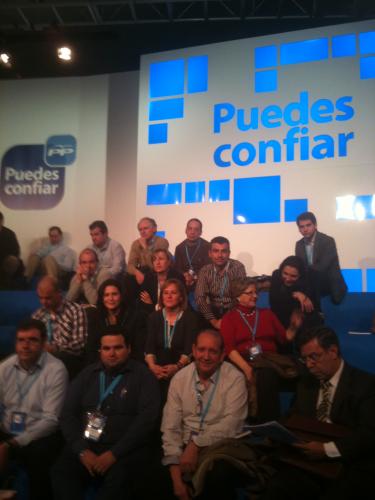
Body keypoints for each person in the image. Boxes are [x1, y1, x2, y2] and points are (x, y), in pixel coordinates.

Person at [262, 326, 375, 500]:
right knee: (276, 487)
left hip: (348, 462)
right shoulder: (306, 384)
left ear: (333, 351)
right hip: (308, 461)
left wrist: (326, 450)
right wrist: (275, 431)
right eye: (304, 359)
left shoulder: (365, 384)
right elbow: (293, 416)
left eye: (314, 357)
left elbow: (368, 433)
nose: (308, 365)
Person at [51, 329, 160, 500]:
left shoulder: (143, 376)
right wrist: (81, 451)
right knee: (61, 473)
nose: (112, 353)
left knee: (121, 481)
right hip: (88, 446)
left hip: (124, 451)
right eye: (106, 348)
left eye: (118, 348)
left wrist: (114, 454)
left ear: (129, 349)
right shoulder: (88, 374)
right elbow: (67, 414)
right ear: (100, 351)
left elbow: (147, 421)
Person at [161, 329, 248, 500]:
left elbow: (232, 425)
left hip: (220, 447)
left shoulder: (235, 379)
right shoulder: (179, 379)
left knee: (218, 477)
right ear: (193, 350)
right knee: (155, 479)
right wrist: (176, 476)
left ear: (222, 355)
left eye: (213, 351)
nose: (206, 356)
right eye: (201, 350)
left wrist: (196, 445)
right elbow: (170, 428)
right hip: (183, 447)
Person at [0, 318, 68, 500]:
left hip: (41, 434)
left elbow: (51, 421)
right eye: (21, 340)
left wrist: (11, 444)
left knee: (39, 457)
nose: (26, 345)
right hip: (9, 430)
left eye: (32, 340)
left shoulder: (56, 369)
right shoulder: (5, 367)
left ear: (44, 343)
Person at [221, 277, 300, 421]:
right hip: (243, 359)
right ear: (238, 296)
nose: (255, 296)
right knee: (265, 373)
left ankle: (291, 421)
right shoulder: (229, 318)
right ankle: (269, 423)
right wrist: (246, 368)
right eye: (250, 293)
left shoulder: (267, 314)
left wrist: (294, 327)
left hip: (268, 358)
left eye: (256, 292)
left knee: (297, 369)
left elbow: (284, 338)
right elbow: (230, 349)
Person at [145, 279, 200, 402]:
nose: (169, 296)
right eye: (166, 293)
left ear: (181, 297)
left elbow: (189, 348)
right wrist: (153, 366)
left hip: (181, 368)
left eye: (173, 293)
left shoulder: (190, 318)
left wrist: (177, 367)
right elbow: (149, 346)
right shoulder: (154, 317)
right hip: (157, 368)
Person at [32, 276, 87, 378]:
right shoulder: (37, 316)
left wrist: (54, 349)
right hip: (41, 358)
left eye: (48, 298)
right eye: (40, 298)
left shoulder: (75, 310)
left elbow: (79, 344)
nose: (43, 302)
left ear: (59, 293)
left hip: (67, 359)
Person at [85, 278, 146, 364]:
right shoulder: (95, 316)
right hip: (101, 364)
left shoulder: (136, 317)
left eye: (114, 294)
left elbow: (138, 349)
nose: (111, 298)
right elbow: (91, 347)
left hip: (129, 364)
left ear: (121, 296)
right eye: (106, 295)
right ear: (102, 298)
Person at [295, 212, 347, 304]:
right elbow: (300, 266)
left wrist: (304, 272)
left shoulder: (328, 241)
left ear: (315, 225)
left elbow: (322, 266)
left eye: (308, 225)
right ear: (299, 229)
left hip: (329, 285)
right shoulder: (299, 244)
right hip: (311, 286)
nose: (305, 229)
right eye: (301, 227)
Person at [195, 236, 246, 330]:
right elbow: (200, 298)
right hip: (212, 311)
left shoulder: (238, 267)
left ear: (229, 253)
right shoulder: (205, 270)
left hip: (233, 310)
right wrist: (214, 321)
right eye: (216, 251)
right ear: (210, 253)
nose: (220, 255)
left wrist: (225, 319)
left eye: (224, 251)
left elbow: (239, 297)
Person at [269, 255, 321, 334]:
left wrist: (301, 295)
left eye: (293, 276)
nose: (288, 279)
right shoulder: (276, 275)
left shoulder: (309, 281)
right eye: (285, 273)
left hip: (305, 325)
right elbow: (275, 301)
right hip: (280, 321)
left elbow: (312, 307)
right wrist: (296, 294)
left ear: (300, 275)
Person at [138, 248, 185, 314]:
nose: (157, 263)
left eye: (161, 259)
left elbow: (179, 302)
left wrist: (151, 304)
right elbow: (143, 300)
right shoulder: (149, 277)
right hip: (152, 315)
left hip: (174, 313)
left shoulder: (177, 277)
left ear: (169, 262)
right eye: (154, 260)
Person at [127, 217, 169, 285]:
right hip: (143, 273)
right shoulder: (136, 244)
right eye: (140, 230)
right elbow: (130, 266)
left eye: (146, 228)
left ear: (154, 229)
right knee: (128, 277)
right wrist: (137, 273)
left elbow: (154, 266)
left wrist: (145, 247)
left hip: (157, 273)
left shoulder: (162, 242)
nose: (143, 232)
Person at [174, 218, 210, 290]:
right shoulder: (179, 248)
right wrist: (185, 275)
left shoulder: (208, 246)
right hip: (184, 283)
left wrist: (194, 277)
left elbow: (209, 268)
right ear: (186, 231)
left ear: (200, 232)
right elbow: (177, 268)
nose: (192, 232)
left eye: (196, 229)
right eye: (190, 228)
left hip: (203, 284)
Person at [0, 212, 23, 289]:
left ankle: (6, 284)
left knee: (12, 260)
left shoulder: (9, 234)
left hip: (6, 261)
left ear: (2, 222)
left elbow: (16, 251)